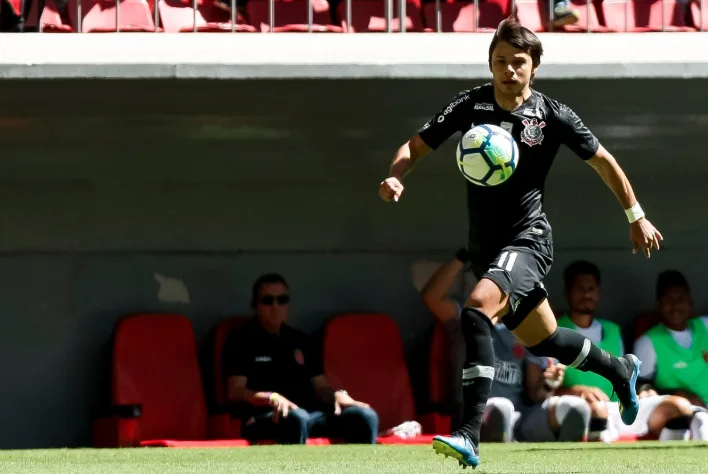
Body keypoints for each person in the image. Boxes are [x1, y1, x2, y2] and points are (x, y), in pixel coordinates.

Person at [377, 16, 663, 469]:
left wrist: (636, 215)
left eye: (518, 63)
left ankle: (469, 432)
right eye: (500, 62)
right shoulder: (470, 105)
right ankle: (618, 369)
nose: (508, 70)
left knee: (475, 311)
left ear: (535, 68)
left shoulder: (551, 115)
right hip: (487, 248)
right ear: (490, 64)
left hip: (529, 239)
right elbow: (416, 145)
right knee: (546, 340)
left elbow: (603, 161)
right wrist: (395, 175)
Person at [421, 250, 591, 444]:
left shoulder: (525, 327)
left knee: (575, 408)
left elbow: (537, 395)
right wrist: (463, 256)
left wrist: (549, 383)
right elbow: (431, 297)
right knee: (501, 410)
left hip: (522, 419)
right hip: (480, 418)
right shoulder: (468, 318)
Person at [557, 261, 708, 442]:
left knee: (679, 408)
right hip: (584, 408)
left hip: (620, 408)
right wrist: (575, 390)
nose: (586, 294)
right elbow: (541, 392)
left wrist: (643, 391)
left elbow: (628, 378)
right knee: (599, 418)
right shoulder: (556, 332)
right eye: (580, 288)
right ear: (567, 292)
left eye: (591, 288)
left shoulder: (613, 330)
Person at [222, 273, 379, 444]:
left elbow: (321, 386)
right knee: (297, 418)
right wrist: (272, 397)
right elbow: (235, 391)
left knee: (365, 416)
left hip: (309, 414)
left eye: (282, 300)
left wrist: (338, 395)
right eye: (268, 301)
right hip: (266, 416)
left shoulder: (300, 340)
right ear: (256, 305)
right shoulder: (241, 340)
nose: (275, 307)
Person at [634, 270, 708, 422]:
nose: (675, 305)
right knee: (703, 426)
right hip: (685, 411)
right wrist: (675, 393)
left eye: (681, 299)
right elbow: (641, 385)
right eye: (669, 300)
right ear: (658, 304)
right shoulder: (648, 342)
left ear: (690, 301)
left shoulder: (707, 326)